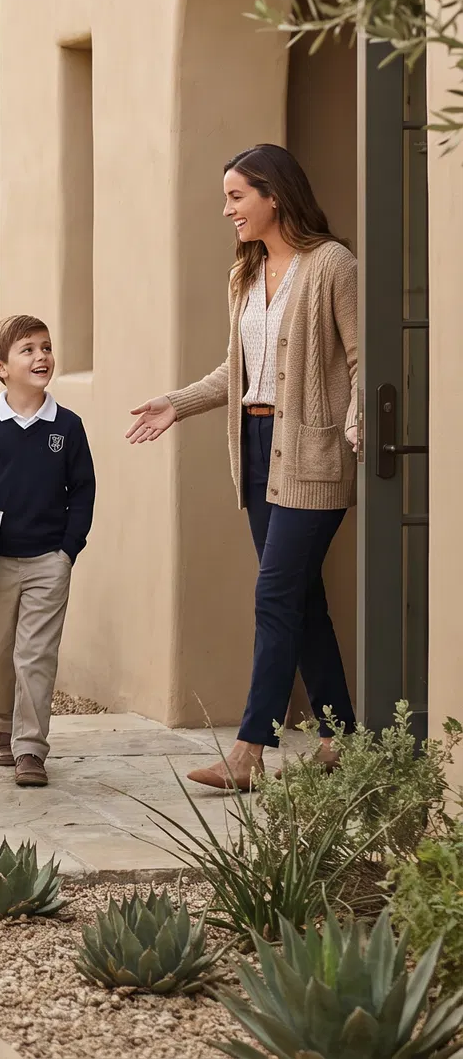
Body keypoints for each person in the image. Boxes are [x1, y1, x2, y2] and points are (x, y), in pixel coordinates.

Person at [125, 143, 358, 791]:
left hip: (311, 452)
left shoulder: (332, 265)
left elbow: (363, 358)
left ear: (273, 195)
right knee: (302, 600)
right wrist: (178, 402)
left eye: (236, 196)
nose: (227, 209)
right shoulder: (246, 273)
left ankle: (251, 749)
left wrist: (357, 422)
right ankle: (346, 738)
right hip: (256, 452)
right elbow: (242, 370)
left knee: (275, 596)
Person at [0, 315, 96, 788]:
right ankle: (3, 724)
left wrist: (68, 549)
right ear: (0, 366)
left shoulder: (67, 427)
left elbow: (84, 491)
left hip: (49, 560)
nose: (41, 357)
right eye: (27, 350)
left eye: (45, 347)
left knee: (35, 654)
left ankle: (31, 749)